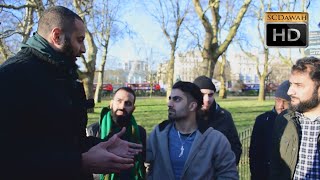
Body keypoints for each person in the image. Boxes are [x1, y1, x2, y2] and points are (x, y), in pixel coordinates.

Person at [0, 6, 142, 180]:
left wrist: (102, 146)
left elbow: (67, 140)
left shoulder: (66, 76)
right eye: (80, 40)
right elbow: (9, 159)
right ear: (57, 36)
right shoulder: (10, 77)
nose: (83, 49)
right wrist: (79, 163)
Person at [146, 81, 238, 179]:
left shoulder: (215, 140)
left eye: (177, 99)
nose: (169, 104)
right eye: (170, 99)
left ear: (192, 106)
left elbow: (228, 175)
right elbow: (147, 168)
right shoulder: (158, 133)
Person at [270, 57, 320, 179]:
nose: (289, 91)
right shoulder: (284, 120)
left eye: (298, 85)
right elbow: (275, 168)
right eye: (291, 84)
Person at [98, 87, 146, 180]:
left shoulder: (140, 132)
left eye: (128, 104)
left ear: (133, 108)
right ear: (111, 104)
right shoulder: (94, 130)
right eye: (119, 101)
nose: (122, 106)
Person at [193, 75, 242, 165]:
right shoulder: (185, 117)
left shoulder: (224, 116)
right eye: (202, 94)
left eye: (210, 95)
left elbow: (235, 147)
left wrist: (226, 170)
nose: (207, 99)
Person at [249, 80, 290, 180]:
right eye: (278, 100)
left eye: (285, 102)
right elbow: (254, 153)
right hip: (264, 174)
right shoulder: (262, 120)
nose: (281, 106)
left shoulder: (296, 122)